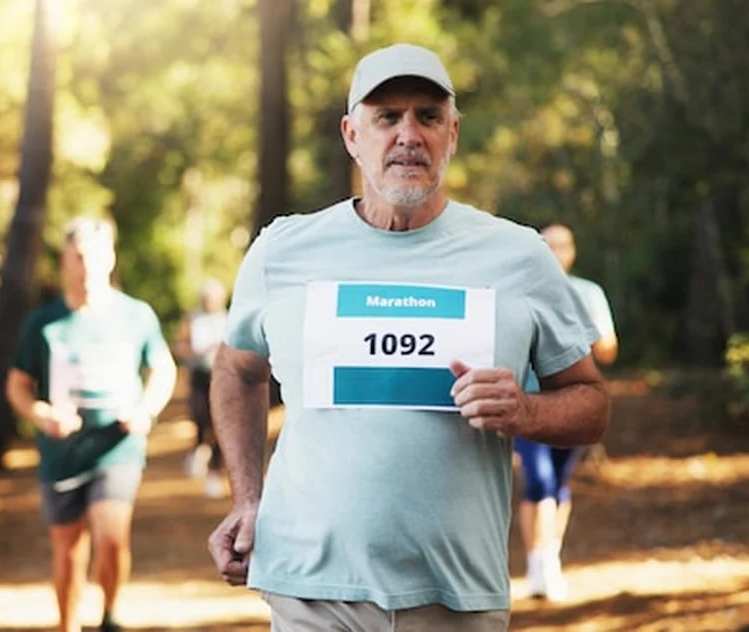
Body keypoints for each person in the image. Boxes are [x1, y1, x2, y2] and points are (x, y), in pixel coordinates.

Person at [205, 43, 611, 631]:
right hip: (312, 592)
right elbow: (237, 370)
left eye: (427, 116)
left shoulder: (518, 256)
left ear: (454, 134)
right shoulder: (283, 251)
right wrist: (247, 496)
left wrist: (524, 409)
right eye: (387, 117)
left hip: (455, 597)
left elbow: (592, 405)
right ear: (352, 134)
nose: (408, 135)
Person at [6, 215, 177, 632]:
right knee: (67, 551)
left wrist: (145, 411)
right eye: (78, 258)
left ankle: (110, 616)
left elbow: (163, 370)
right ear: (65, 262)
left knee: (111, 537)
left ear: (111, 258)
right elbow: (18, 385)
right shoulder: (42, 324)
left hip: (117, 447)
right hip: (62, 453)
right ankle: (68, 625)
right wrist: (40, 414)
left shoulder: (136, 316)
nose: (87, 267)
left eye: (95, 257)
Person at [513, 221, 619, 602]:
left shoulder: (588, 294)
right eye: (549, 245)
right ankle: (539, 565)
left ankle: (549, 556)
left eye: (563, 245)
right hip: (527, 404)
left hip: (572, 402)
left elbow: (608, 349)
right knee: (538, 481)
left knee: (558, 484)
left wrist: (580, 337)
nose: (557, 252)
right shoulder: (520, 290)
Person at [175, 277, 229, 498]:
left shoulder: (229, 319)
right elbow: (180, 345)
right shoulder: (193, 319)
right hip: (199, 374)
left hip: (221, 377)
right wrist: (194, 353)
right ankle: (198, 448)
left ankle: (215, 472)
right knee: (199, 416)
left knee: (220, 424)